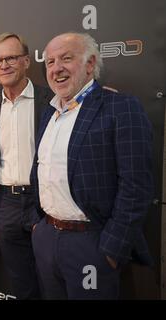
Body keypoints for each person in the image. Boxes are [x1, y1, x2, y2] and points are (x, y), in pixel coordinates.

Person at [31, 32, 154, 299]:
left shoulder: (120, 107)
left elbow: (137, 186)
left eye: (66, 58)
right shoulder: (48, 115)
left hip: (91, 243)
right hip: (46, 238)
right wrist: (37, 227)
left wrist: (110, 250)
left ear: (90, 64)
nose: (56, 68)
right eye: (50, 62)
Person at [0, 32, 53, 299]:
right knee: (21, 283)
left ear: (26, 61)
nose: (4, 65)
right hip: (6, 205)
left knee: (52, 279)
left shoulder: (51, 101)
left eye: (11, 58)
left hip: (44, 203)